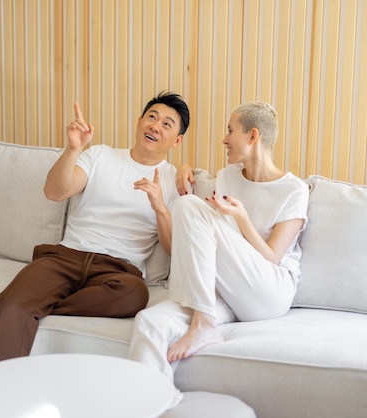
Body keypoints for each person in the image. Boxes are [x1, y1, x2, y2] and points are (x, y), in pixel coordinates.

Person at [0, 91, 190, 364]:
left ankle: (37, 306)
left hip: (119, 269)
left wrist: (160, 208)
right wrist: (74, 149)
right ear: (140, 120)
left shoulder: (172, 181)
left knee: (134, 295)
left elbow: (172, 247)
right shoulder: (99, 156)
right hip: (65, 257)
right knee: (11, 304)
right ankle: (2, 392)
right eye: (152, 117)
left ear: (177, 140)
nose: (155, 125)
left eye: (167, 124)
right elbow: (54, 192)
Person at [128, 101, 309, 381]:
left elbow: (273, 257)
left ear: (253, 136)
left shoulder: (293, 189)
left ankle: (202, 321)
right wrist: (185, 168)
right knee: (150, 322)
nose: (224, 139)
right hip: (227, 288)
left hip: (269, 291)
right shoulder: (226, 177)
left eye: (230, 130)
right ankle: (150, 403)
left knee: (188, 205)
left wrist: (242, 218)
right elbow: (206, 241)